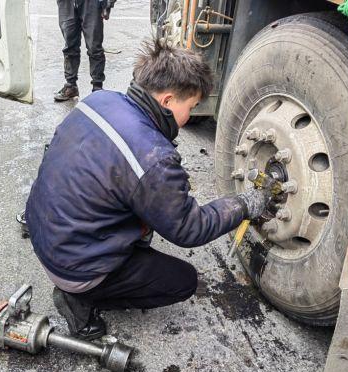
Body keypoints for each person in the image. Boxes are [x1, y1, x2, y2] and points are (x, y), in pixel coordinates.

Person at [26, 40, 273, 340]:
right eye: (191, 107)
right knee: (183, 281)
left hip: (44, 232)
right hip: (74, 267)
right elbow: (190, 229)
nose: (188, 118)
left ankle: (92, 275)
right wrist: (245, 204)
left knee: (145, 215)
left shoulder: (99, 100)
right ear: (168, 100)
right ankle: (79, 299)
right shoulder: (152, 157)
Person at [54, 0, 116, 102]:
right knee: (70, 45)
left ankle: (97, 88)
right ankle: (71, 85)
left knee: (94, 47)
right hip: (66, 4)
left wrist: (109, 2)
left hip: (91, 3)